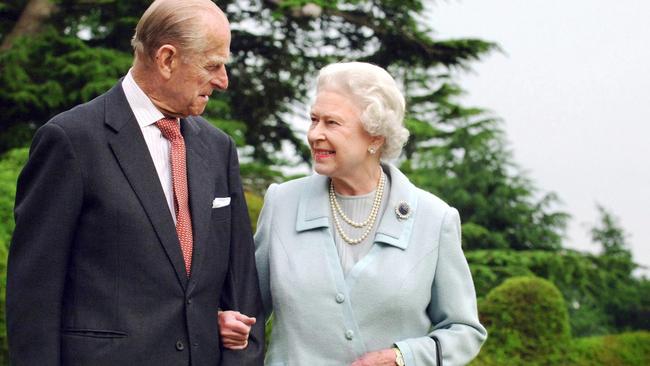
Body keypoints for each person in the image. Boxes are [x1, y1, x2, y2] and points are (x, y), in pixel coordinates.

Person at [6, 0, 264, 365]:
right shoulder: (70, 140)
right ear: (167, 59)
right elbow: (33, 295)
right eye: (213, 65)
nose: (223, 81)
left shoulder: (219, 148)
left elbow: (242, 292)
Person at [219, 62, 487, 365]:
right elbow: (245, 307)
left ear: (375, 137)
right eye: (313, 120)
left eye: (332, 123)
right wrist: (225, 319)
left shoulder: (434, 219)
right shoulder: (282, 203)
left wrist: (402, 358)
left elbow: (464, 330)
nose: (314, 134)